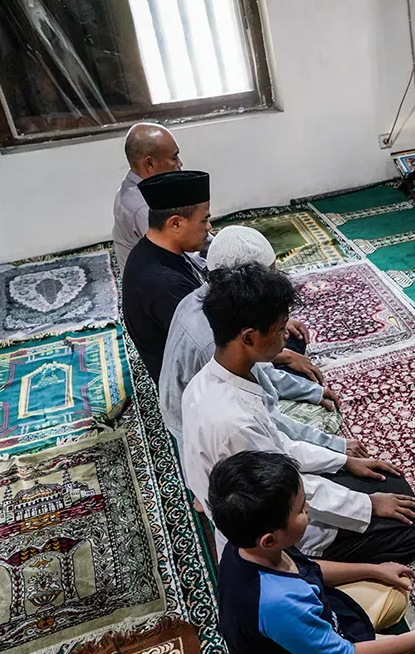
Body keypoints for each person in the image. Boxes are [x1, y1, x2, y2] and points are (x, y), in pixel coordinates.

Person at [181, 262, 415, 564]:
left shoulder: (208, 380)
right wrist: (366, 506)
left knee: (387, 482)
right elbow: (281, 493)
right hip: (277, 530)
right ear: (248, 337)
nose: (285, 337)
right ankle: (312, 569)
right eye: (278, 330)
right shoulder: (234, 425)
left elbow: (279, 446)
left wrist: (343, 460)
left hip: (280, 491)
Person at [210, 450, 415, 654]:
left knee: (394, 595)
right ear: (269, 539)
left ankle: (366, 653)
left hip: (324, 624)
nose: (309, 508)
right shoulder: (277, 603)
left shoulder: (245, 546)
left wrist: (373, 569)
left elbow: (308, 568)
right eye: (301, 509)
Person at [159, 225, 338, 451]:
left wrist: (309, 390)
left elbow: (257, 368)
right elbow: (266, 420)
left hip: (234, 392)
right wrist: (336, 449)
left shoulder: (205, 299)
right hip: (214, 438)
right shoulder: (211, 343)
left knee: (293, 339)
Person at [121, 170, 212, 383]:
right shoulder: (166, 286)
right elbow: (209, 353)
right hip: (187, 384)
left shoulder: (152, 249)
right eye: (204, 220)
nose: (208, 228)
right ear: (175, 223)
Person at [113, 123, 183, 272]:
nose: (180, 164)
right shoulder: (143, 208)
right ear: (150, 164)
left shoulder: (130, 187)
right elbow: (179, 254)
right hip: (152, 284)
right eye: (174, 157)